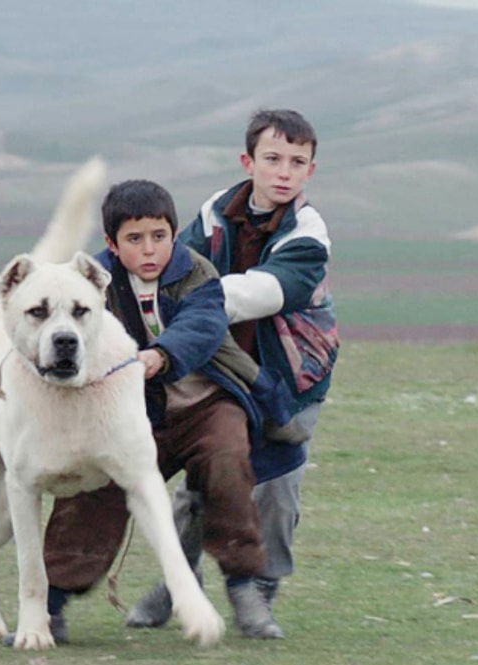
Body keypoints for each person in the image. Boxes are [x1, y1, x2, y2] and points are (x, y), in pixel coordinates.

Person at [31, 178, 296, 643]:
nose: (149, 249)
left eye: (159, 236)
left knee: (227, 460)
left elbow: (203, 325)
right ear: (112, 244)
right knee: (94, 485)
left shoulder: (197, 273)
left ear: (174, 234)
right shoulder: (92, 282)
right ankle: (50, 603)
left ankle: (243, 586)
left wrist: (161, 354)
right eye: (134, 239)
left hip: (206, 402)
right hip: (130, 413)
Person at [125, 108, 340, 639]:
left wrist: (192, 305)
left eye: (297, 161)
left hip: (291, 377)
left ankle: (260, 592)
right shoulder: (214, 213)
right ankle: (179, 584)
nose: (283, 171)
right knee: (202, 480)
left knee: (277, 486)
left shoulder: (309, 236)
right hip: (221, 371)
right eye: (272, 159)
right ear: (248, 162)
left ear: (311, 169)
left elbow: (266, 291)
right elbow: (170, 263)